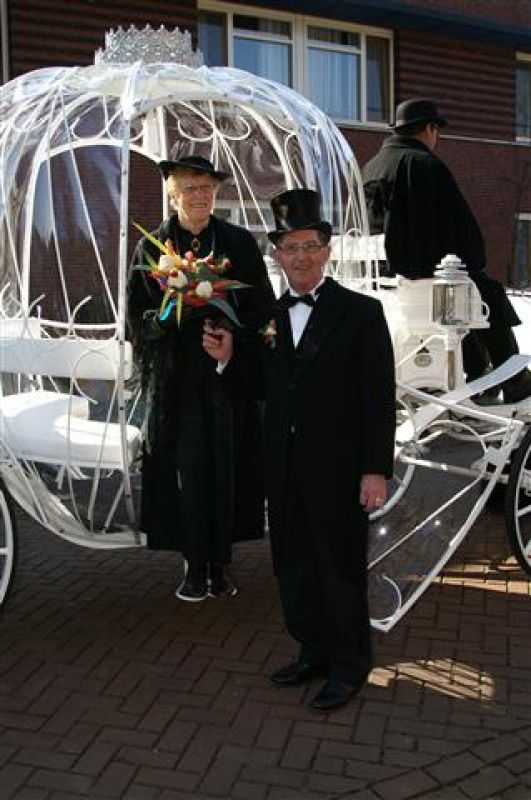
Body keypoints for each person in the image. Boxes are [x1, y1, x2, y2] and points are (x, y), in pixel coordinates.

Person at [203, 188, 396, 711]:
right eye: (290, 247)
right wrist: (227, 358)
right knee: (294, 566)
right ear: (278, 254)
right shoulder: (268, 316)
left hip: (339, 470)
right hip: (283, 468)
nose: (301, 256)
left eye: (310, 246)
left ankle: (350, 665)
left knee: (339, 569)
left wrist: (375, 470)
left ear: (327, 251)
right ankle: (313, 651)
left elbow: (379, 398)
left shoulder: (361, 313)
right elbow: (260, 387)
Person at [127, 154, 275, 602]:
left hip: (227, 379)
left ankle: (221, 563)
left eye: (207, 188)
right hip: (177, 381)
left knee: (227, 466)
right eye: (190, 188)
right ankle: (193, 564)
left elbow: (262, 308)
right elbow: (137, 319)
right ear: (173, 195)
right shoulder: (152, 248)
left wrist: (232, 338)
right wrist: (171, 315)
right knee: (186, 470)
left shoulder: (238, 243)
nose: (200, 196)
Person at [362, 97, 531, 404]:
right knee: (484, 291)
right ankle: (513, 378)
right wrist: (473, 259)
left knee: (469, 291)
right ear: (429, 129)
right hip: (423, 277)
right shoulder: (424, 164)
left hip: (384, 280)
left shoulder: (371, 167)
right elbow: (459, 226)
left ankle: (478, 372)